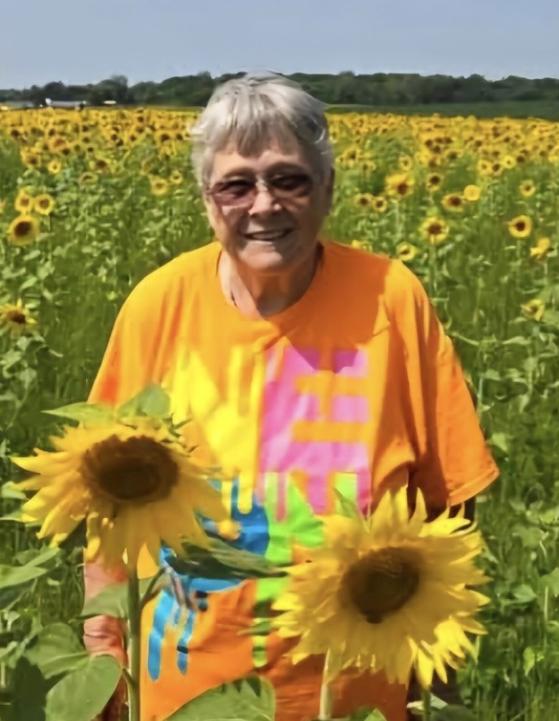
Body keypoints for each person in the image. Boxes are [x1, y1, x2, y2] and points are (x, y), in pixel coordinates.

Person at [85, 73, 499, 721]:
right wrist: (103, 660)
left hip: (354, 699)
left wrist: (436, 682)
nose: (263, 205)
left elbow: (449, 507)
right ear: (205, 198)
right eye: (236, 184)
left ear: (327, 188)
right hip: (182, 695)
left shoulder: (391, 299)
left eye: (289, 180)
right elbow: (105, 504)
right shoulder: (158, 305)